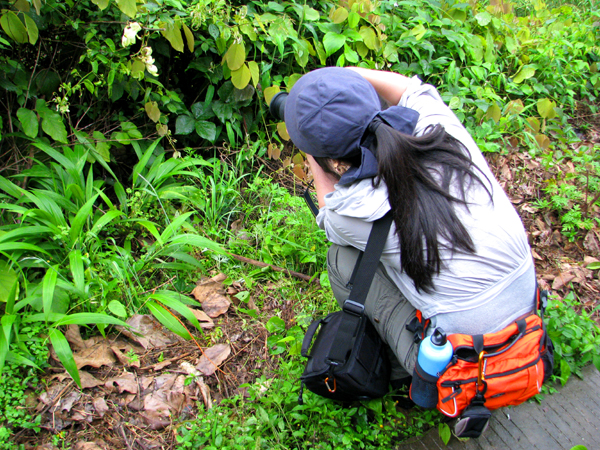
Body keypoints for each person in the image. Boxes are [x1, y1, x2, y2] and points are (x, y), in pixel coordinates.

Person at [279, 67, 536, 399]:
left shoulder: (354, 209)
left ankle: (401, 368)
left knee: (342, 259)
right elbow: (411, 89)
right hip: (527, 314)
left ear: (331, 160)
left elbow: (328, 214)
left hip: (461, 361)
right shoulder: (439, 128)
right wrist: (340, 79)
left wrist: (311, 150)